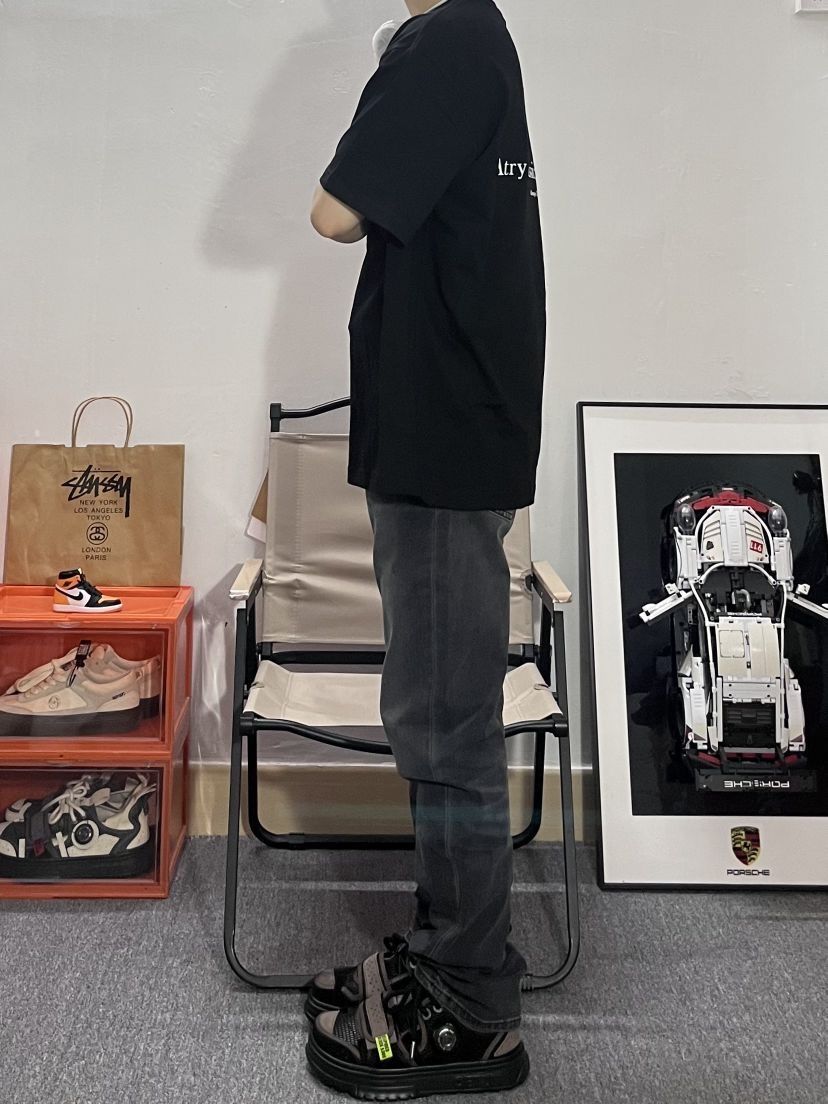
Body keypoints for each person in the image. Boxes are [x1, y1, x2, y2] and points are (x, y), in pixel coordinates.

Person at [305, 0, 546, 1097]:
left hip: (444, 441)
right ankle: (450, 953)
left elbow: (334, 212)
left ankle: (473, 1005)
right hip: (443, 433)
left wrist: (391, 58)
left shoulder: (445, 39)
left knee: (446, 723)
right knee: (436, 712)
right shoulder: (474, 41)